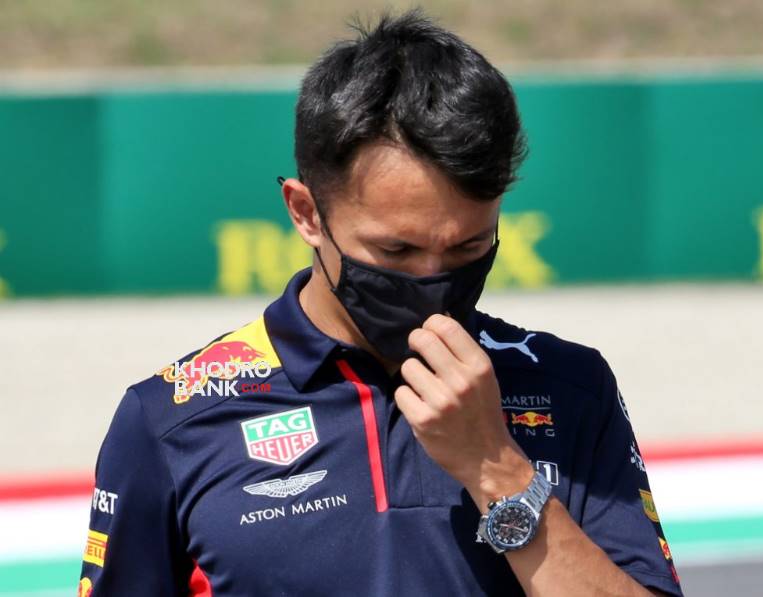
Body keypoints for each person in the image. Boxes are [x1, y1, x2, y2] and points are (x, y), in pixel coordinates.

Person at [78, 10, 683, 596]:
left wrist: (497, 468)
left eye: (469, 246)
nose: (432, 278)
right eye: (397, 249)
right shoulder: (172, 420)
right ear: (306, 213)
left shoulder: (570, 386)